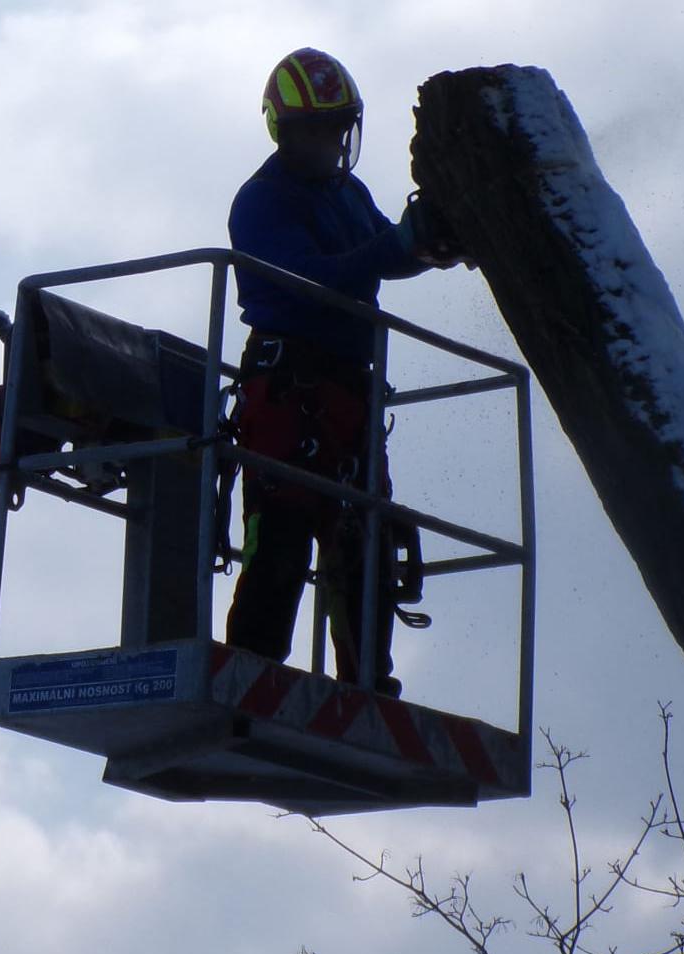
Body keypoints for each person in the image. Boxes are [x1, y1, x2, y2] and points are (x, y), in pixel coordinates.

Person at [224, 47, 461, 695]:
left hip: (348, 389)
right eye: (314, 128)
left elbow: (382, 253)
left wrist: (432, 241)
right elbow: (316, 278)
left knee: (365, 539)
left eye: (335, 126)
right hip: (286, 389)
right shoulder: (262, 202)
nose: (328, 140)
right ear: (285, 129)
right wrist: (397, 244)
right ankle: (254, 672)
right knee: (280, 534)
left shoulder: (347, 192)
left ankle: (366, 682)